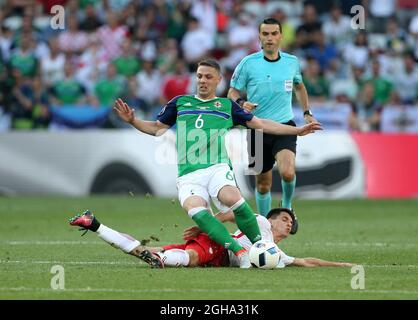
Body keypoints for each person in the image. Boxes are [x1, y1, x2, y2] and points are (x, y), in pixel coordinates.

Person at [114, 59, 322, 268]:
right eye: (199, 76)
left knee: (234, 199)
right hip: (188, 174)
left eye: (208, 77)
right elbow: (157, 128)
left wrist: (297, 130)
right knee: (197, 211)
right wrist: (133, 121)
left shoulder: (226, 106)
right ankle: (239, 252)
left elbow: (261, 124)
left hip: (217, 168)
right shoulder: (180, 102)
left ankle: (261, 246)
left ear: (219, 80)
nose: (202, 81)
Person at [227, 18, 318, 234]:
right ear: (259, 37)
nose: (269, 38)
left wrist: (307, 113)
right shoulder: (248, 63)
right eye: (265, 34)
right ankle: (265, 227)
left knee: (287, 172)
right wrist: (241, 103)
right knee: (263, 184)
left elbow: (299, 86)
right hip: (257, 128)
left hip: (285, 126)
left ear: (280, 36)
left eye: (273, 33)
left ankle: (287, 206)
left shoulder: (291, 62)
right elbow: (232, 92)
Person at [68, 208, 354, 268]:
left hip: (217, 259)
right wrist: (205, 224)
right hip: (218, 243)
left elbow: (307, 262)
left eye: (290, 224)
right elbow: (231, 214)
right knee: (181, 260)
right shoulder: (260, 223)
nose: (287, 224)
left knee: (148, 251)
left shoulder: (276, 255)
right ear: (274, 219)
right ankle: (161, 259)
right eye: (285, 218)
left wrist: (343, 266)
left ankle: (95, 225)